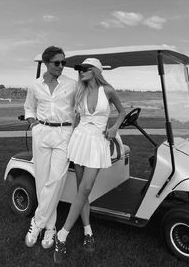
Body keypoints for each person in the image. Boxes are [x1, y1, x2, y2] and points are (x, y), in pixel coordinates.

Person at [53, 58, 126, 264]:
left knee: (85, 189)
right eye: (79, 70)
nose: (81, 72)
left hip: (98, 141)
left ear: (95, 71)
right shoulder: (80, 91)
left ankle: (62, 234)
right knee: (81, 191)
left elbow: (122, 112)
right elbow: (75, 118)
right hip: (80, 140)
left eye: (85, 69)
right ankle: (87, 231)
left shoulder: (108, 90)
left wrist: (114, 128)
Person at [24, 46, 77, 249]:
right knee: (42, 180)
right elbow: (29, 107)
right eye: (57, 63)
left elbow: (80, 107)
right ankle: (50, 227)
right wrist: (32, 123)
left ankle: (36, 223)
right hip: (42, 133)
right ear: (46, 63)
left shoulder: (72, 84)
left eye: (63, 62)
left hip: (64, 134)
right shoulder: (35, 86)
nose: (61, 66)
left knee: (55, 180)